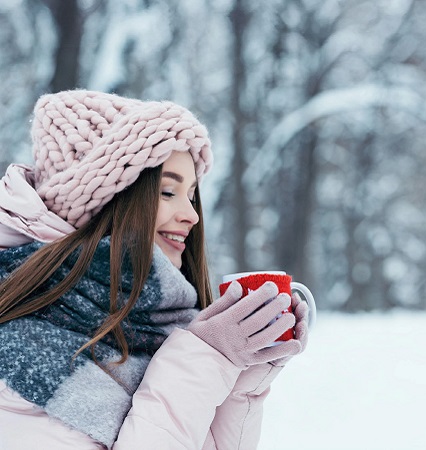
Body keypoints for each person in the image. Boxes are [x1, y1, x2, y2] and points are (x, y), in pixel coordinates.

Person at [0, 90, 310, 449]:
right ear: (103, 202)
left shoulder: (151, 329)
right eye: (167, 192)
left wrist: (240, 380)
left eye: (191, 195)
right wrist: (203, 359)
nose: (191, 215)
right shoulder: (18, 350)